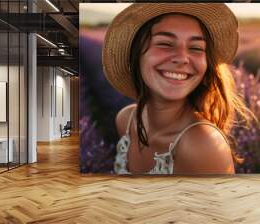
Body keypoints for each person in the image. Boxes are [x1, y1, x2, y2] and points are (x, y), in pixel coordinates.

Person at [102, 3, 251, 175]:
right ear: (136, 55)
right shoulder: (125, 120)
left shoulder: (203, 145)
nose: (182, 58)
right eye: (165, 43)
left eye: (196, 48)